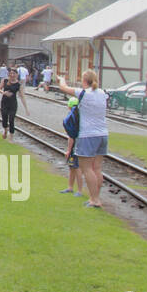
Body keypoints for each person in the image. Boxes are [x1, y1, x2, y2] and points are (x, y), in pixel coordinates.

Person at [52, 69, 109, 208]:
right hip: (103, 134)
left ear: (84, 81)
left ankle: (95, 200)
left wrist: (61, 79)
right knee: (97, 168)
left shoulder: (83, 93)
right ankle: (95, 197)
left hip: (87, 135)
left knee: (87, 169)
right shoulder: (102, 93)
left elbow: (63, 88)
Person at [59, 96, 85, 198]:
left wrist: (68, 150)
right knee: (73, 166)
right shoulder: (80, 117)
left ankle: (78, 190)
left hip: (75, 145)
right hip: (81, 143)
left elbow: (71, 137)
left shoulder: (71, 119)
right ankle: (71, 187)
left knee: (76, 167)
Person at [0, 68, 25, 142]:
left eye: (14, 73)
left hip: (13, 103)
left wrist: (26, 108)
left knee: (11, 120)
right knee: (4, 119)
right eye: (11, 73)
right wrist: (3, 93)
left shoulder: (18, 84)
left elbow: (22, 96)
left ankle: (11, 137)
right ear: (9, 74)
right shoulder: (5, 81)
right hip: (4, 102)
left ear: (17, 75)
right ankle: (5, 131)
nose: (12, 75)